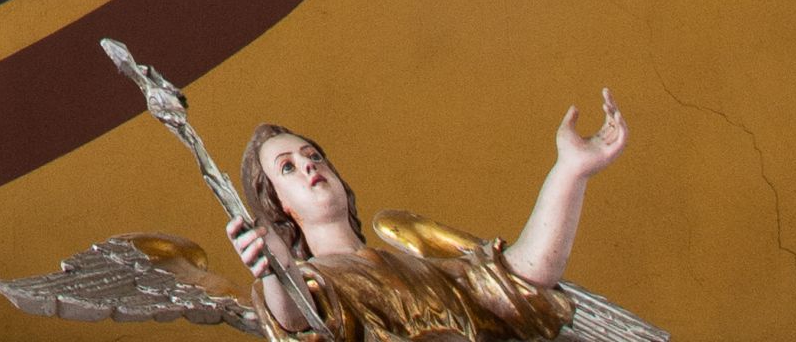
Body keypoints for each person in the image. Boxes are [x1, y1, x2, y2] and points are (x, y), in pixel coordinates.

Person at [226, 96, 628, 340]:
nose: (309, 166)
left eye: (313, 156)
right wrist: (277, 270)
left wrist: (570, 171)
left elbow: (523, 277)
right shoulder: (315, 283)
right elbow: (297, 317)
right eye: (288, 168)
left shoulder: (421, 269)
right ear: (279, 206)